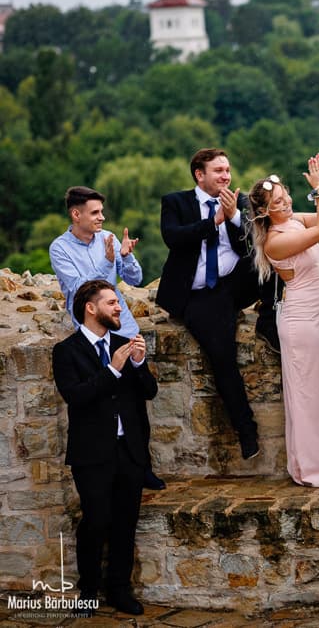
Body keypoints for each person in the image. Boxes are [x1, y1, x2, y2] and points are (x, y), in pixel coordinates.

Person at [157, 148, 275, 460]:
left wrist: (234, 216)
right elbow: (173, 238)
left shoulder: (241, 203)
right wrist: (214, 222)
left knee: (272, 255)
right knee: (222, 356)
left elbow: (250, 243)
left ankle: (269, 316)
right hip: (198, 293)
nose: (226, 176)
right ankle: (245, 430)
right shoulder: (176, 202)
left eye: (227, 170)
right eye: (218, 171)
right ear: (200, 174)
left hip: (233, 283)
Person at [52, 279, 158, 617]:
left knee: (126, 522)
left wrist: (138, 364)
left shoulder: (126, 343)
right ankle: (88, 589)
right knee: (96, 521)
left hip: (129, 450)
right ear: (91, 307)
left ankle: (119, 589)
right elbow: (76, 395)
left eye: (118, 303)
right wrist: (112, 369)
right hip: (91, 454)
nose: (118, 308)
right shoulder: (66, 351)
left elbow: (149, 393)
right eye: (112, 303)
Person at [49, 186, 166, 490]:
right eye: (95, 212)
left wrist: (125, 258)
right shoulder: (59, 248)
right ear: (76, 215)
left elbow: (134, 279)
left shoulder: (108, 237)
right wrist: (107, 264)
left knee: (135, 399)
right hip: (93, 333)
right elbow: (83, 290)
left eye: (102, 211)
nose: (102, 217)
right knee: (103, 400)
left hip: (123, 328)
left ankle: (143, 467)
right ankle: (109, 465)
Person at [246, 154, 319, 487]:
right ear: (265, 212)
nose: (288, 201)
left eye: (287, 195)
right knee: (311, 397)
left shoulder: (293, 221)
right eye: (279, 201)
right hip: (302, 323)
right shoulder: (276, 240)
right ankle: (313, 467)